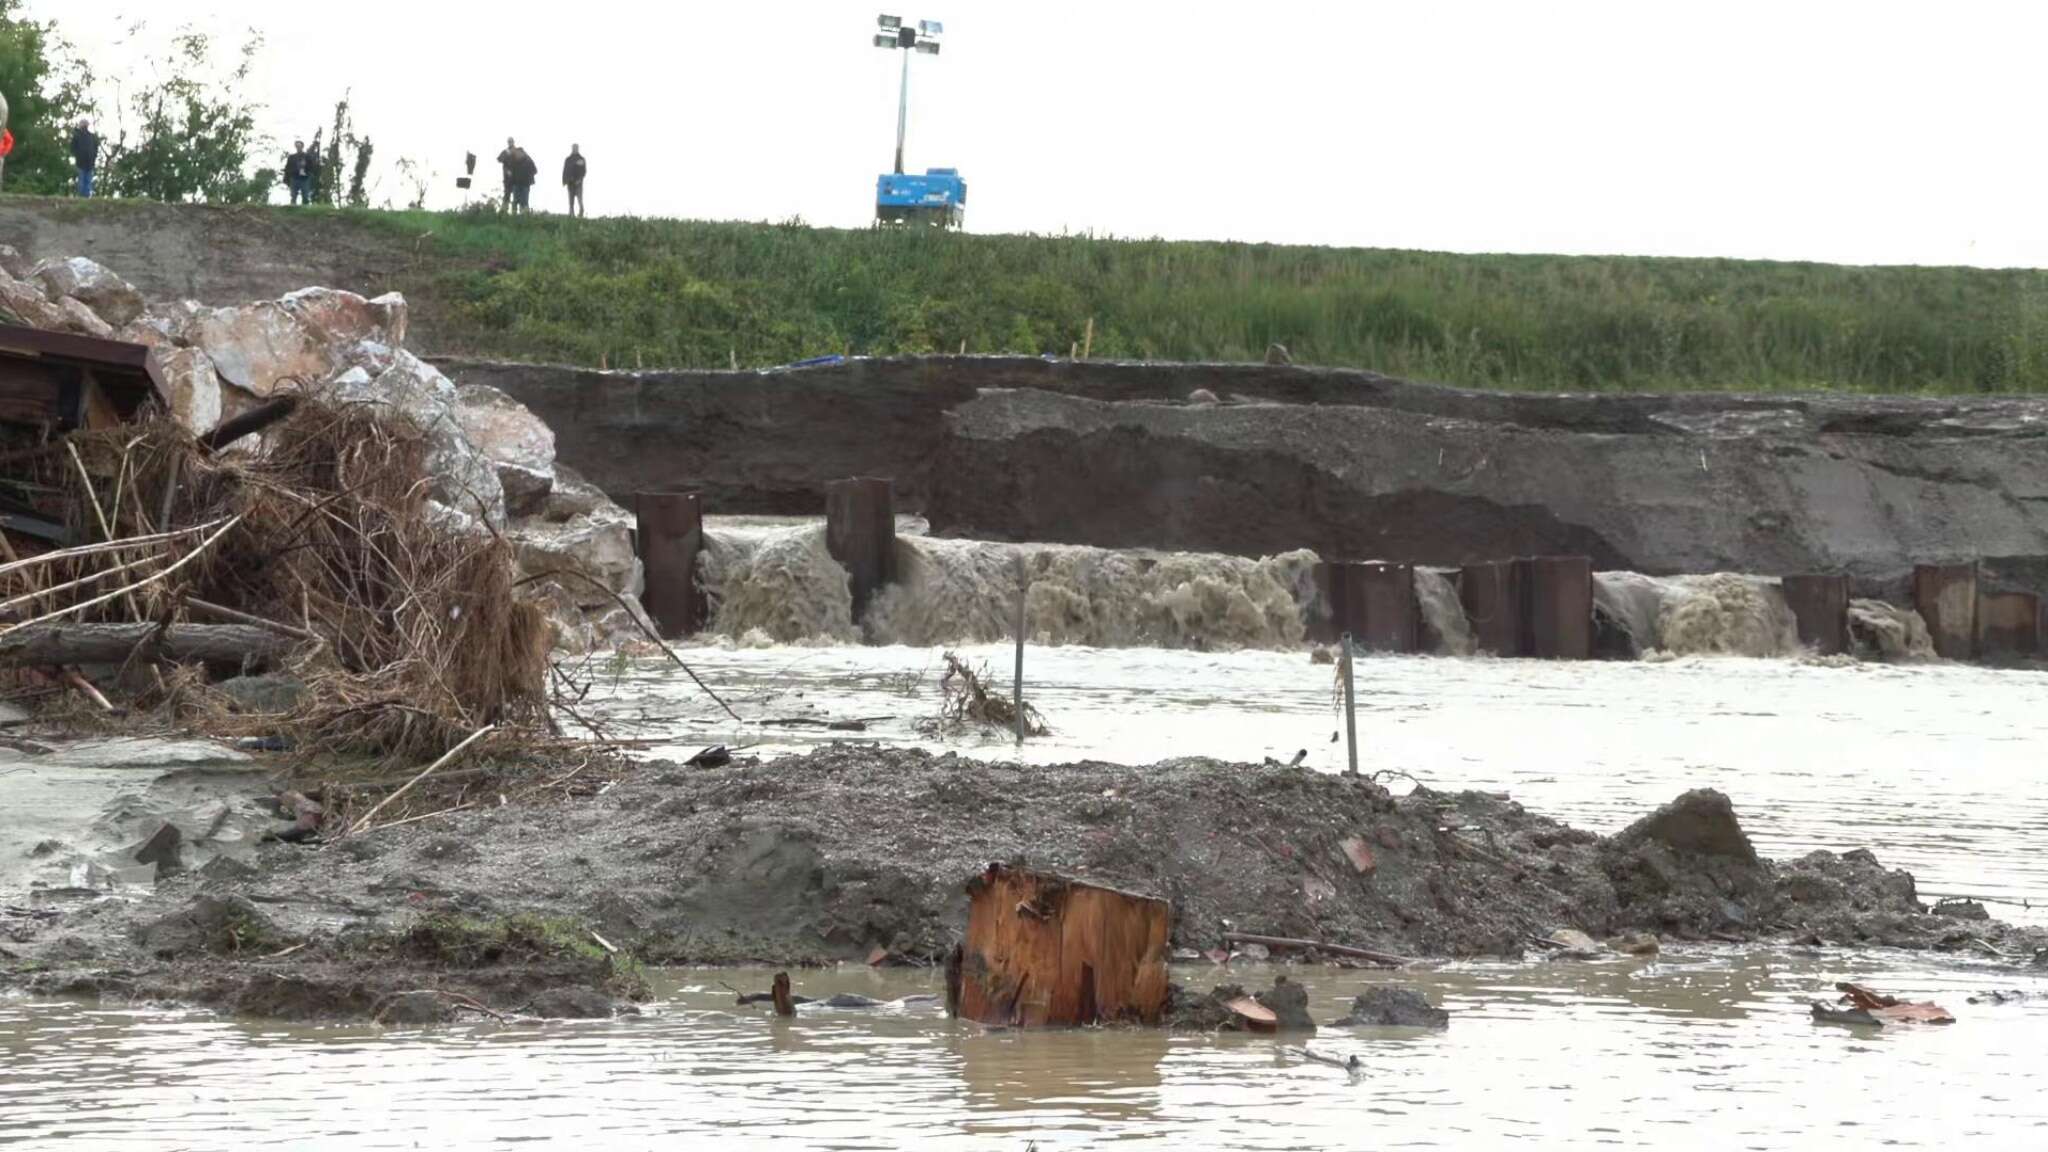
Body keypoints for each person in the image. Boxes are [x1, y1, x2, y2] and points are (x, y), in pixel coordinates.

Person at [70, 121, 99, 198]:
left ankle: (85, 197)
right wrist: (78, 155)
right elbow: (72, 148)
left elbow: (96, 148)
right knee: (83, 180)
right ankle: (82, 197)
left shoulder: (91, 136)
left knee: (87, 180)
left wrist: (93, 156)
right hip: (82, 162)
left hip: (89, 162)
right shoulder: (77, 136)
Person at [511, 145, 538, 214]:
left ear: (522, 153)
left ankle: (524, 216)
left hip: (525, 184)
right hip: (516, 184)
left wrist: (528, 175)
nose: (517, 154)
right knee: (515, 201)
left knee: (524, 201)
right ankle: (513, 216)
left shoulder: (528, 161)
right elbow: (511, 172)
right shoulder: (514, 161)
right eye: (516, 153)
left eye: (518, 153)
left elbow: (535, 170)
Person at [562, 145, 587, 217]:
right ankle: (571, 213)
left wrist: (580, 179)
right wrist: (564, 181)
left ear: (578, 149)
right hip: (570, 182)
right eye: (573, 148)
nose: (574, 149)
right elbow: (565, 170)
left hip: (578, 182)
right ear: (572, 149)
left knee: (579, 198)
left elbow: (584, 171)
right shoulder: (568, 159)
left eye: (576, 148)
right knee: (571, 199)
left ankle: (581, 210)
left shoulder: (581, 159)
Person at [497, 137, 520, 210]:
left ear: (513, 142)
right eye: (509, 142)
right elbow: (499, 159)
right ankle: (504, 212)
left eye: (511, 141)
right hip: (507, 177)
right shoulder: (505, 151)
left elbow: (523, 161)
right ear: (508, 142)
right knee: (507, 194)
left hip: (517, 177)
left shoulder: (518, 151)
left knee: (516, 196)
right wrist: (506, 156)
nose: (510, 143)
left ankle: (515, 213)